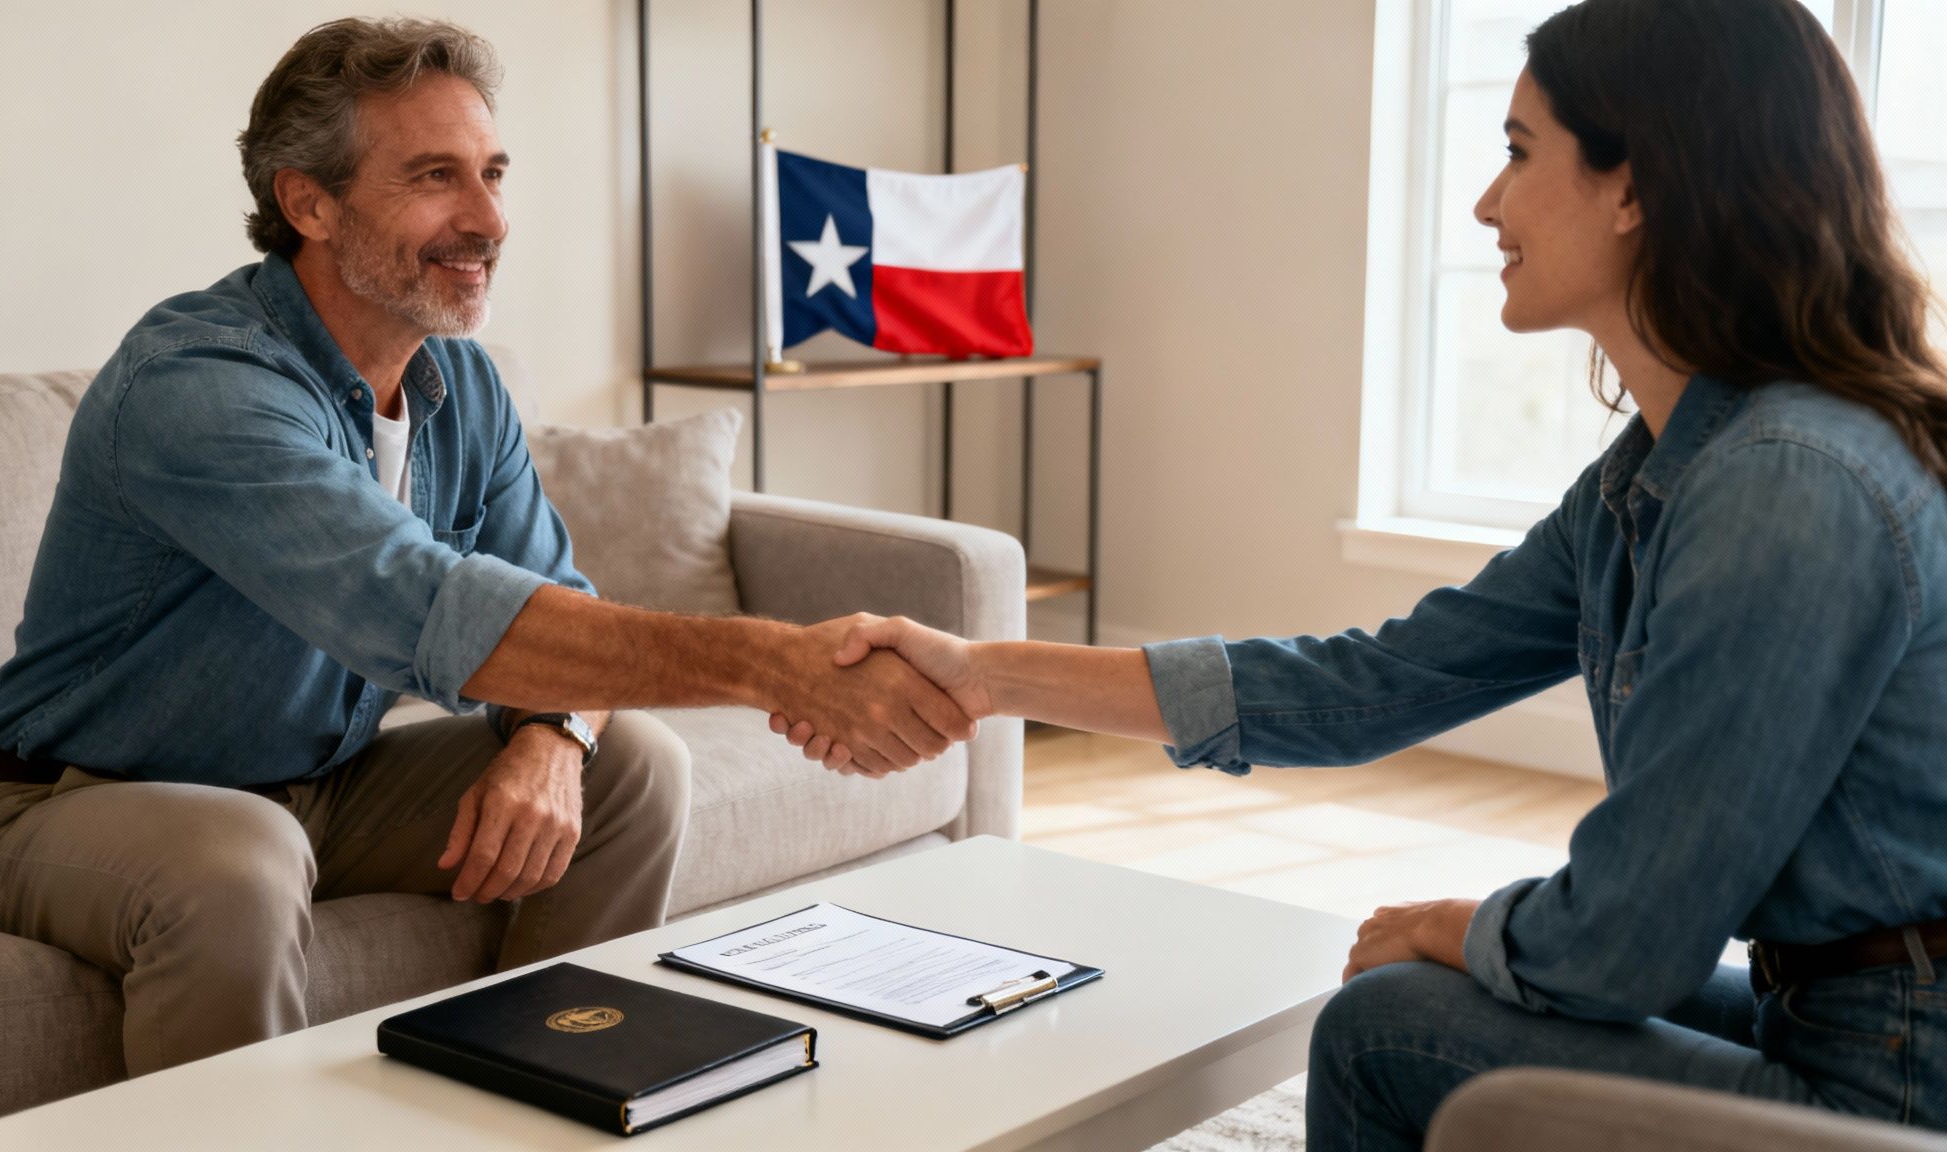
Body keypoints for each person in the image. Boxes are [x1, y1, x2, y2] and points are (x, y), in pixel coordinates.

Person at [772, 0, 1947, 1143]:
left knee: (1391, 1028)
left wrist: (1458, 927)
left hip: (1896, 1080)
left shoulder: (1784, 487)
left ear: (1635, 185)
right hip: (1840, 1013)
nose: (1487, 203)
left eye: (1516, 153)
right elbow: (1372, 683)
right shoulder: (1661, 474)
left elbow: (1624, 942)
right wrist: (980, 674)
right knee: (1465, 988)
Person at [0, 17, 974, 1078]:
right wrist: (773, 663)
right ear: (308, 201)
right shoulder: (200, 387)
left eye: (492, 173)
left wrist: (550, 743)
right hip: (74, 805)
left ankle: (543, 1093)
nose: (486, 220)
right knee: (240, 861)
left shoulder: (459, 378)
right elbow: (421, 606)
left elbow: (551, 594)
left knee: (629, 768)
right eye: (434, 177)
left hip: (318, 786)